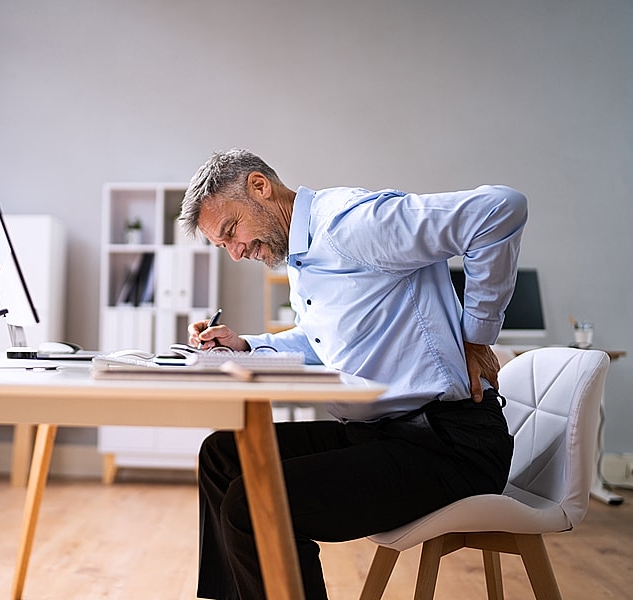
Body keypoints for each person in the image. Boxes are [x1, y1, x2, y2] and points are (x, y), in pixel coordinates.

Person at [179, 149, 526, 599]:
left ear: (259, 187)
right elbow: (319, 344)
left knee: (252, 505)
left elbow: (500, 208)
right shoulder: (303, 256)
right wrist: (244, 346)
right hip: (381, 434)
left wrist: (477, 337)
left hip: (448, 447)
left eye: (231, 232)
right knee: (222, 454)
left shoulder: (350, 225)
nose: (236, 252)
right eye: (223, 245)